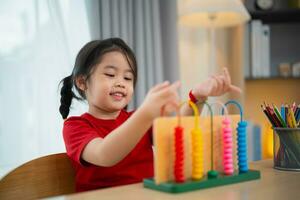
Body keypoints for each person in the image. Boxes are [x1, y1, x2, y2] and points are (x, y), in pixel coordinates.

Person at [59, 38, 241, 192]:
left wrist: (197, 98)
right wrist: (146, 114)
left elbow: (177, 132)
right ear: (82, 82)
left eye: (128, 78)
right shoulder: (75, 126)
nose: (121, 83)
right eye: (110, 74)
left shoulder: (136, 119)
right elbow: (104, 154)